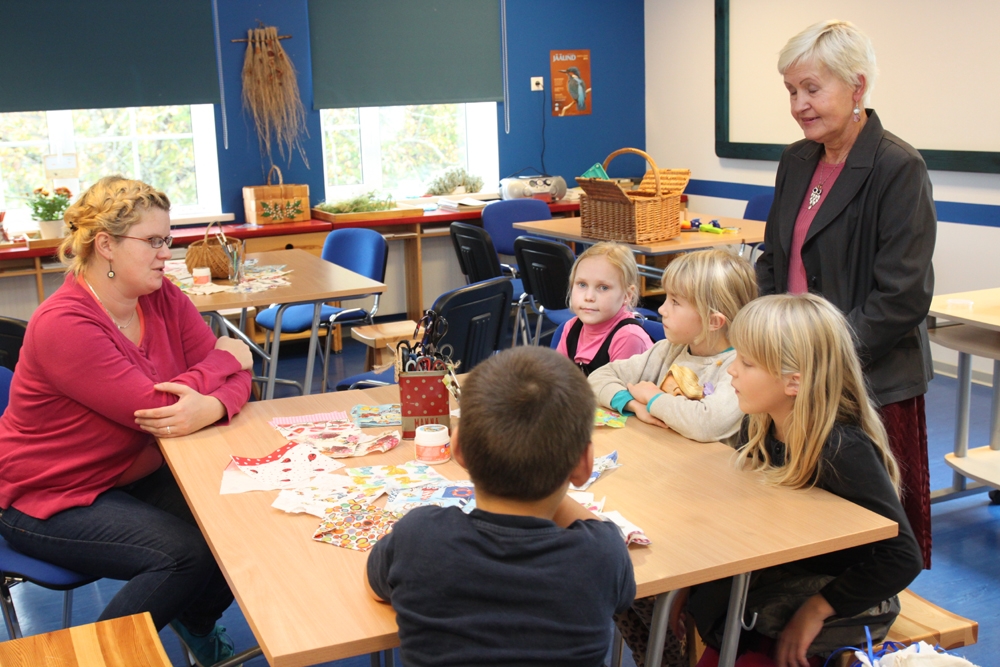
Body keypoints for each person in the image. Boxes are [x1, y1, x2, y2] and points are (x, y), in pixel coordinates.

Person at [0, 176, 253, 666]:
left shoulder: (162, 296)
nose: (166, 253)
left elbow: (240, 383)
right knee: (182, 555)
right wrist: (228, 358)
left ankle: (196, 622)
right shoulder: (65, 324)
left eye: (167, 240)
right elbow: (155, 410)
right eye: (154, 241)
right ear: (106, 245)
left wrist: (213, 406)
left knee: (239, 515)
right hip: (47, 496)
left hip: (128, 474)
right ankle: (94, 660)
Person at [756, 19, 936, 568]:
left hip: (867, 378)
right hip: (794, 373)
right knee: (799, 527)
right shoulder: (796, 160)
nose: (799, 105)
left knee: (869, 539)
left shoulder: (898, 166)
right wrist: (766, 341)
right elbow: (773, 260)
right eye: (791, 91)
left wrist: (823, 359)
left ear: (857, 86)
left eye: (812, 89)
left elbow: (902, 296)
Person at [678, 294, 922, 667]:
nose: (732, 371)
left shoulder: (841, 449)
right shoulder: (759, 427)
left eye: (747, 363)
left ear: (794, 382)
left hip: (836, 598)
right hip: (774, 586)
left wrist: (817, 609)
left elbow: (902, 557)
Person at [366, 346, 635, 667]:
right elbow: (620, 588)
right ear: (584, 464)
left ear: (458, 449)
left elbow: (375, 586)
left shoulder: (419, 536)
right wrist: (550, 472)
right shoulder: (602, 554)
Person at [589, 249, 757, 448]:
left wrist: (652, 397)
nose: (661, 309)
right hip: (664, 453)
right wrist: (632, 404)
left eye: (675, 302)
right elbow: (597, 378)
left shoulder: (739, 369)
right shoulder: (669, 350)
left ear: (713, 321)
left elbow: (707, 424)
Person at [555, 242, 653, 374]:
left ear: (627, 295)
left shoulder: (628, 338)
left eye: (603, 287)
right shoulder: (571, 328)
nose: (589, 297)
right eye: (582, 284)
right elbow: (557, 379)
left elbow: (619, 388)